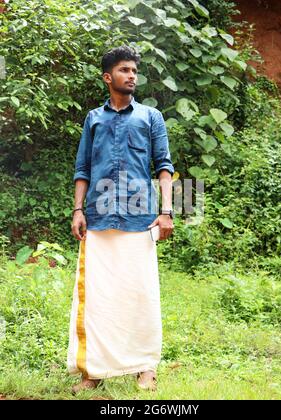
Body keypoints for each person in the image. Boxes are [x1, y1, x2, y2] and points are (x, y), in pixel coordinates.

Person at [67, 45, 175, 394]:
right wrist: (78, 210)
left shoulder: (150, 117)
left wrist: (167, 212)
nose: (132, 76)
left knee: (140, 295)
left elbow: (164, 167)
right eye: (125, 70)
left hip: (140, 220)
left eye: (134, 71)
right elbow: (82, 169)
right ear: (108, 77)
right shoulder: (93, 119)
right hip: (97, 220)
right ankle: (94, 370)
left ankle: (145, 366)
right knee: (99, 298)